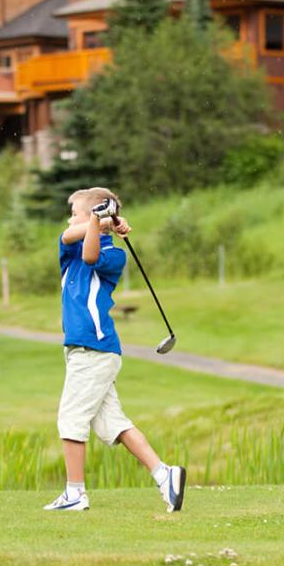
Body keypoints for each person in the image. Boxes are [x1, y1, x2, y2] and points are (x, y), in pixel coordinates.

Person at [42, 187, 186, 512]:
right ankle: (165, 475)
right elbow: (71, 235)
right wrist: (102, 221)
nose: (71, 218)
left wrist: (100, 223)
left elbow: (91, 255)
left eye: (76, 212)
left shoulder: (114, 256)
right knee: (112, 424)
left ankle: (75, 493)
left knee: (71, 418)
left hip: (94, 349)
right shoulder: (68, 246)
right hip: (86, 351)